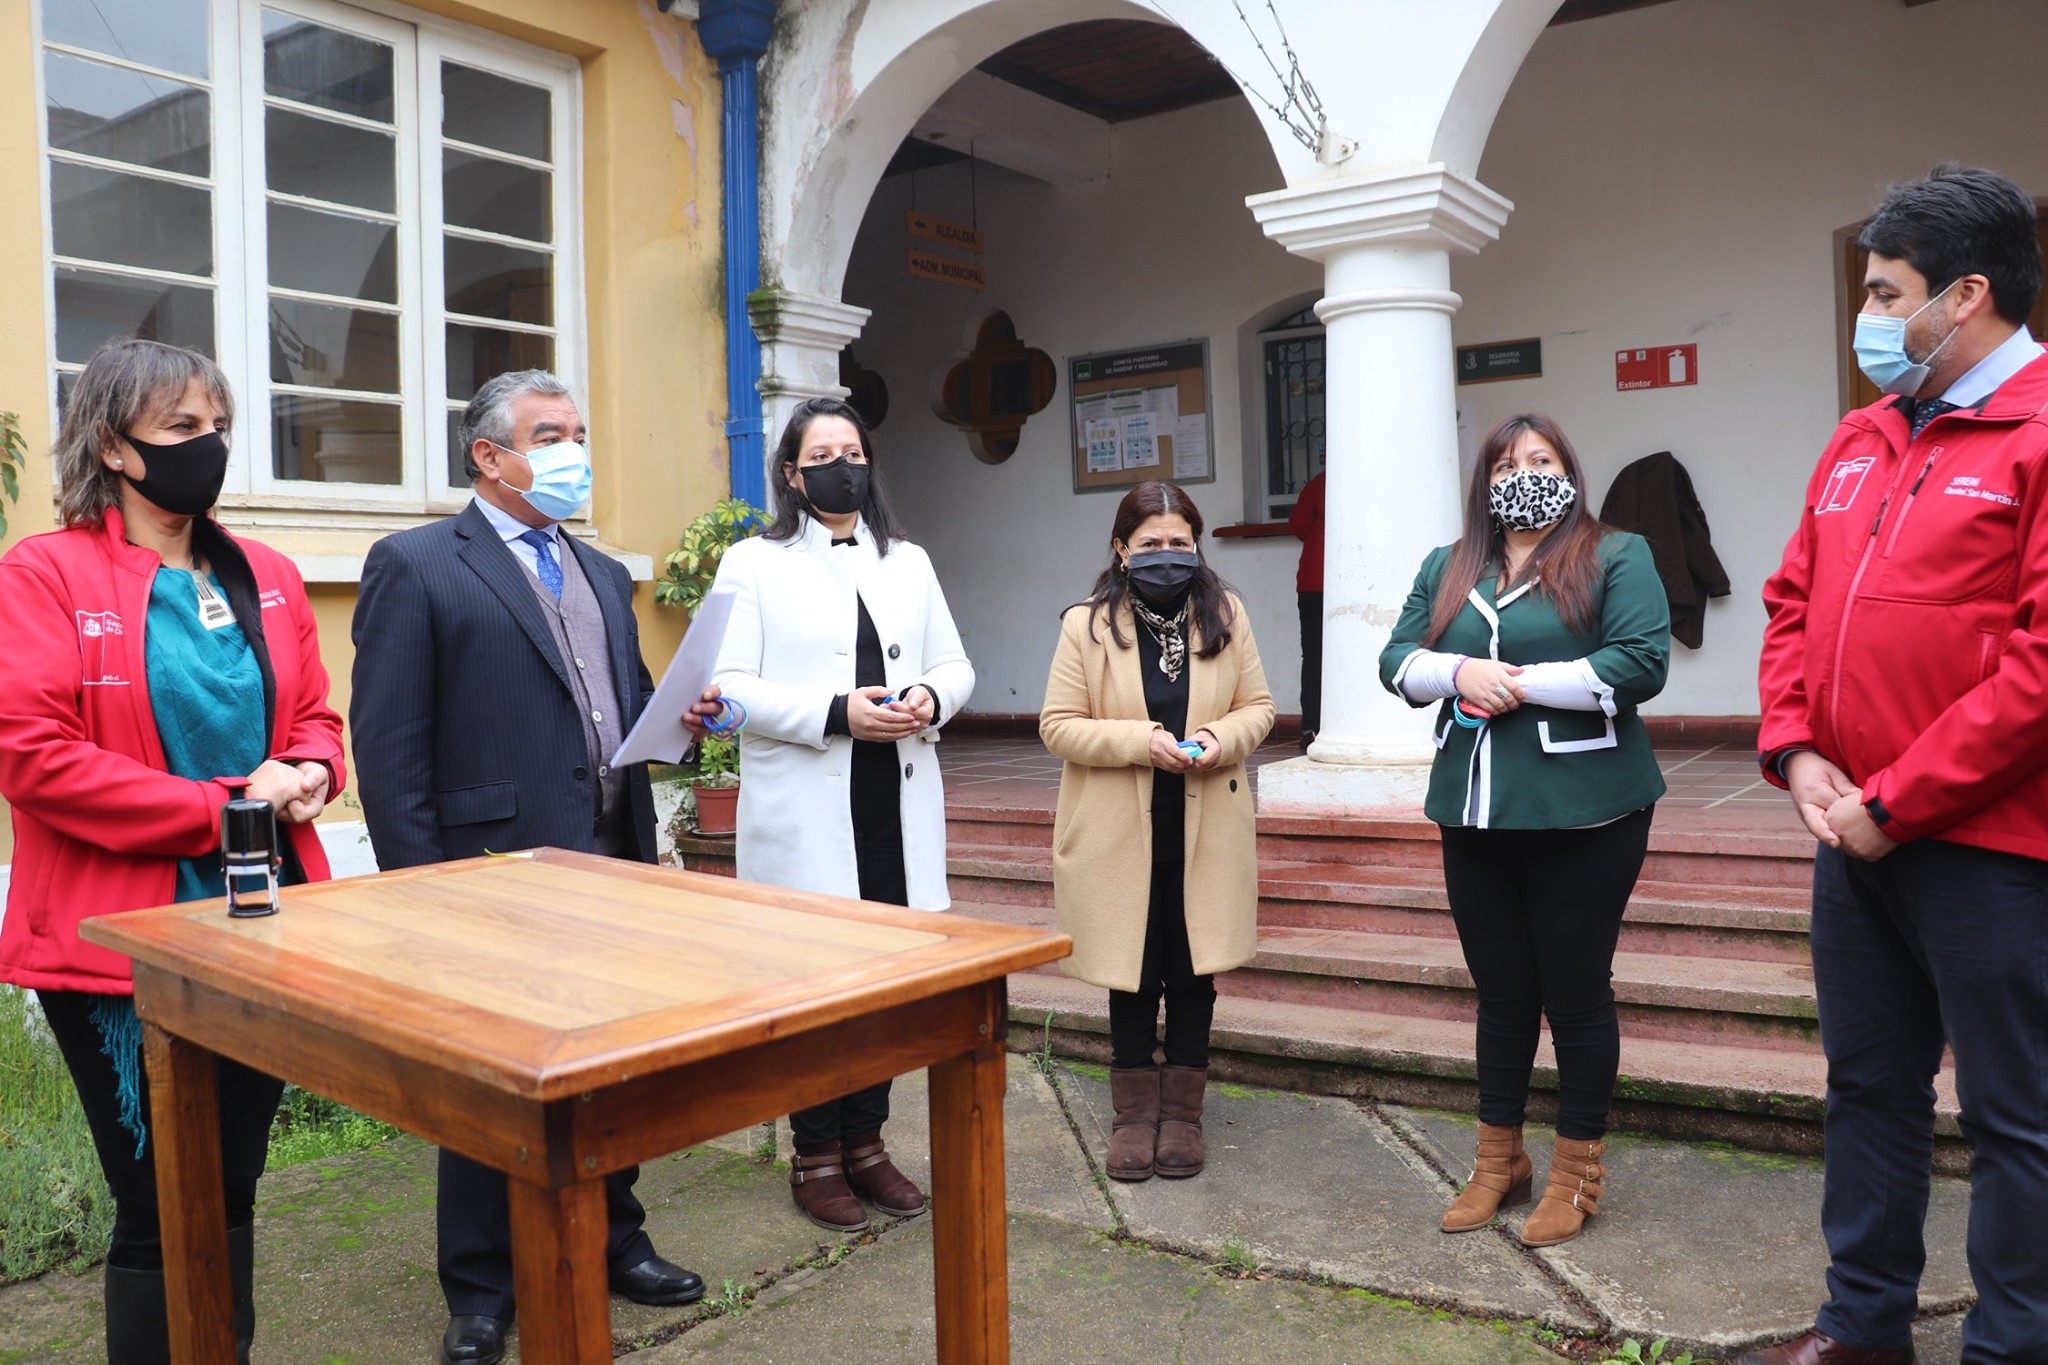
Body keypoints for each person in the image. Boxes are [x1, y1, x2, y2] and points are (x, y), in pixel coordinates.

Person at [1745, 165, 2048, 1365]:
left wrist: (1899, 799)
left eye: (1885, 292)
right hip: (1850, 836)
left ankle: (2011, 1345)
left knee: (2011, 1117)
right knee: (1867, 1091)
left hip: (1985, 847)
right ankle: (1860, 1326)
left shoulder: (2035, 432)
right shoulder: (1858, 437)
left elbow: (2036, 664)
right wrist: (1797, 749)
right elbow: (1788, 605)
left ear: (1963, 294)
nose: (1868, 316)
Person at [349, 369, 705, 1365]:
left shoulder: (597, 572)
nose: (571, 451)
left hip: (608, 863)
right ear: (489, 456)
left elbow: (622, 707)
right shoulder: (417, 564)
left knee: (608, 1074)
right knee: (487, 1089)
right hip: (485, 875)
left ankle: (612, 1241)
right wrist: (422, 895)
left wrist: (685, 719)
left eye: (579, 432)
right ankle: (479, 1285)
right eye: (550, 434)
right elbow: (387, 749)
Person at [0, 338, 344, 1364]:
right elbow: (33, 756)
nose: (210, 446)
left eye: (217, 424)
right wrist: (226, 801)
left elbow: (317, 719)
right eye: (182, 428)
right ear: (113, 445)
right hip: (121, 948)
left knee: (234, 1177)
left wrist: (315, 772)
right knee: (156, 1198)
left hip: (264, 924)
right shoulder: (45, 573)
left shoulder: (269, 574)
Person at [1378, 414, 1668, 1248]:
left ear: (1570, 469)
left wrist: (1523, 682)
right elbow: (1397, 657)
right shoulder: (1449, 563)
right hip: (1474, 806)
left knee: (1574, 991)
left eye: (1541, 459)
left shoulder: (1618, 553)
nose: (1524, 472)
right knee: (1502, 991)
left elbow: (1640, 661)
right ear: (1486, 479)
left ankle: (1577, 1167)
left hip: (1588, 809)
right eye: (1508, 462)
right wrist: (1458, 670)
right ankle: (1498, 1159)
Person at [708, 396, 975, 1233]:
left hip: (893, 802)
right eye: (821, 453)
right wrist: (834, 712)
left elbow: (955, 662)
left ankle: (868, 1144)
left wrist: (931, 695)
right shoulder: (752, 561)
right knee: (818, 989)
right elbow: (729, 685)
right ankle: (815, 1153)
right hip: (809, 806)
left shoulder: (911, 560)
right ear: (792, 472)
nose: (840, 465)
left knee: (886, 990)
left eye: (853, 450)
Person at [1040, 480, 1274, 1183]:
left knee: (1193, 971)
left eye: (1179, 542)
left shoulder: (1225, 613)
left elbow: (1259, 708)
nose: (1167, 555)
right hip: (1120, 831)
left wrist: (1213, 735)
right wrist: (1143, 741)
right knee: (1133, 973)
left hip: (1204, 824)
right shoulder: (1085, 624)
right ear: (1121, 548)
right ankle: (1133, 1117)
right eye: (1150, 544)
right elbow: (1057, 725)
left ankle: (1183, 1117)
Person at [1287, 469, 1326, 749]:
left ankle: (1311, 727)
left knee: (1313, 657)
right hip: (1357, 585)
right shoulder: (1370, 479)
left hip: (1313, 582)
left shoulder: (1318, 483)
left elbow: (1299, 526)